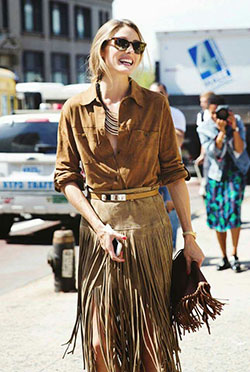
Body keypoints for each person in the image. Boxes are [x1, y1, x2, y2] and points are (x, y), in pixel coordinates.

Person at [54, 19, 204, 372]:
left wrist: (190, 236)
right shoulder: (75, 108)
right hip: (100, 230)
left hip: (149, 226)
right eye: (122, 43)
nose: (130, 52)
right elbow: (66, 178)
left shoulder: (156, 104)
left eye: (137, 46)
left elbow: (174, 174)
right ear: (101, 47)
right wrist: (100, 228)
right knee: (98, 340)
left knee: (151, 339)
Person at [197, 94, 250, 273]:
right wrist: (220, 132)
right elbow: (213, 153)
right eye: (213, 113)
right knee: (219, 216)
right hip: (215, 175)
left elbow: (240, 149)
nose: (216, 117)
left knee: (233, 213)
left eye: (219, 112)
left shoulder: (235, 121)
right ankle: (224, 256)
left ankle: (234, 254)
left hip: (235, 173)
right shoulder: (204, 127)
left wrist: (233, 129)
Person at [150, 82, 186, 250]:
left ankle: (170, 256)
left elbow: (178, 140)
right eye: (153, 93)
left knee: (171, 219)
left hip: (170, 173)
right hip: (150, 175)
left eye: (160, 93)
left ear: (166, 94)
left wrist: (162, 120)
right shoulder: (144, 113)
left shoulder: (175, 114)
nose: (157, 97)